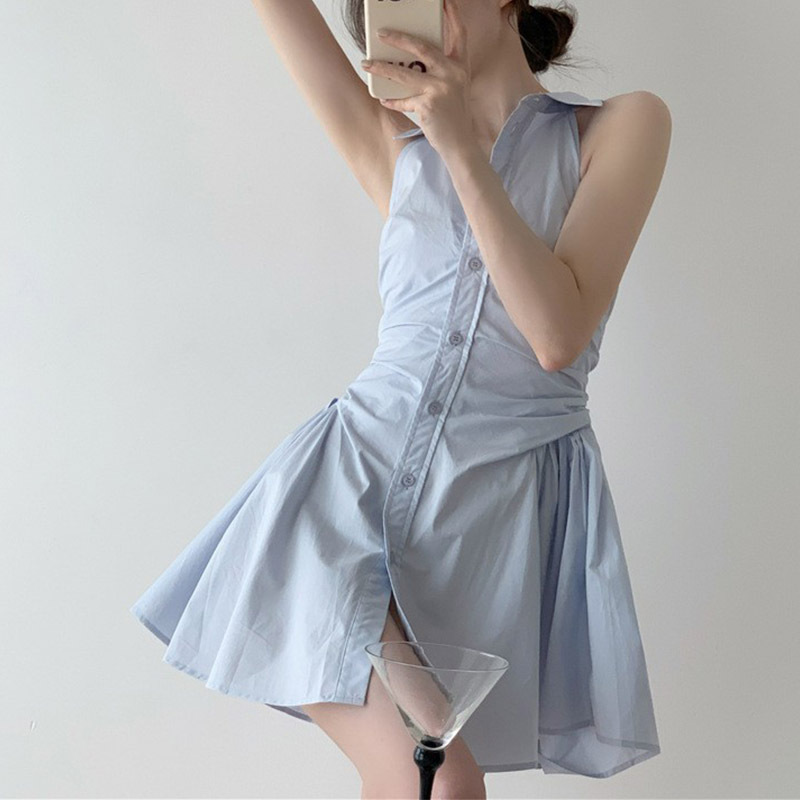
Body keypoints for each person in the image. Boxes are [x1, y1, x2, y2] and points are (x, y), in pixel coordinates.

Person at [131, 1, 671, 796]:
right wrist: (438, 135)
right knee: (441, 784)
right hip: (339, 498)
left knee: (416, 784)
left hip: (486, 524)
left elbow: (555, 335)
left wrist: (461, 147)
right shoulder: (392, 142)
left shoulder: (620, 126)